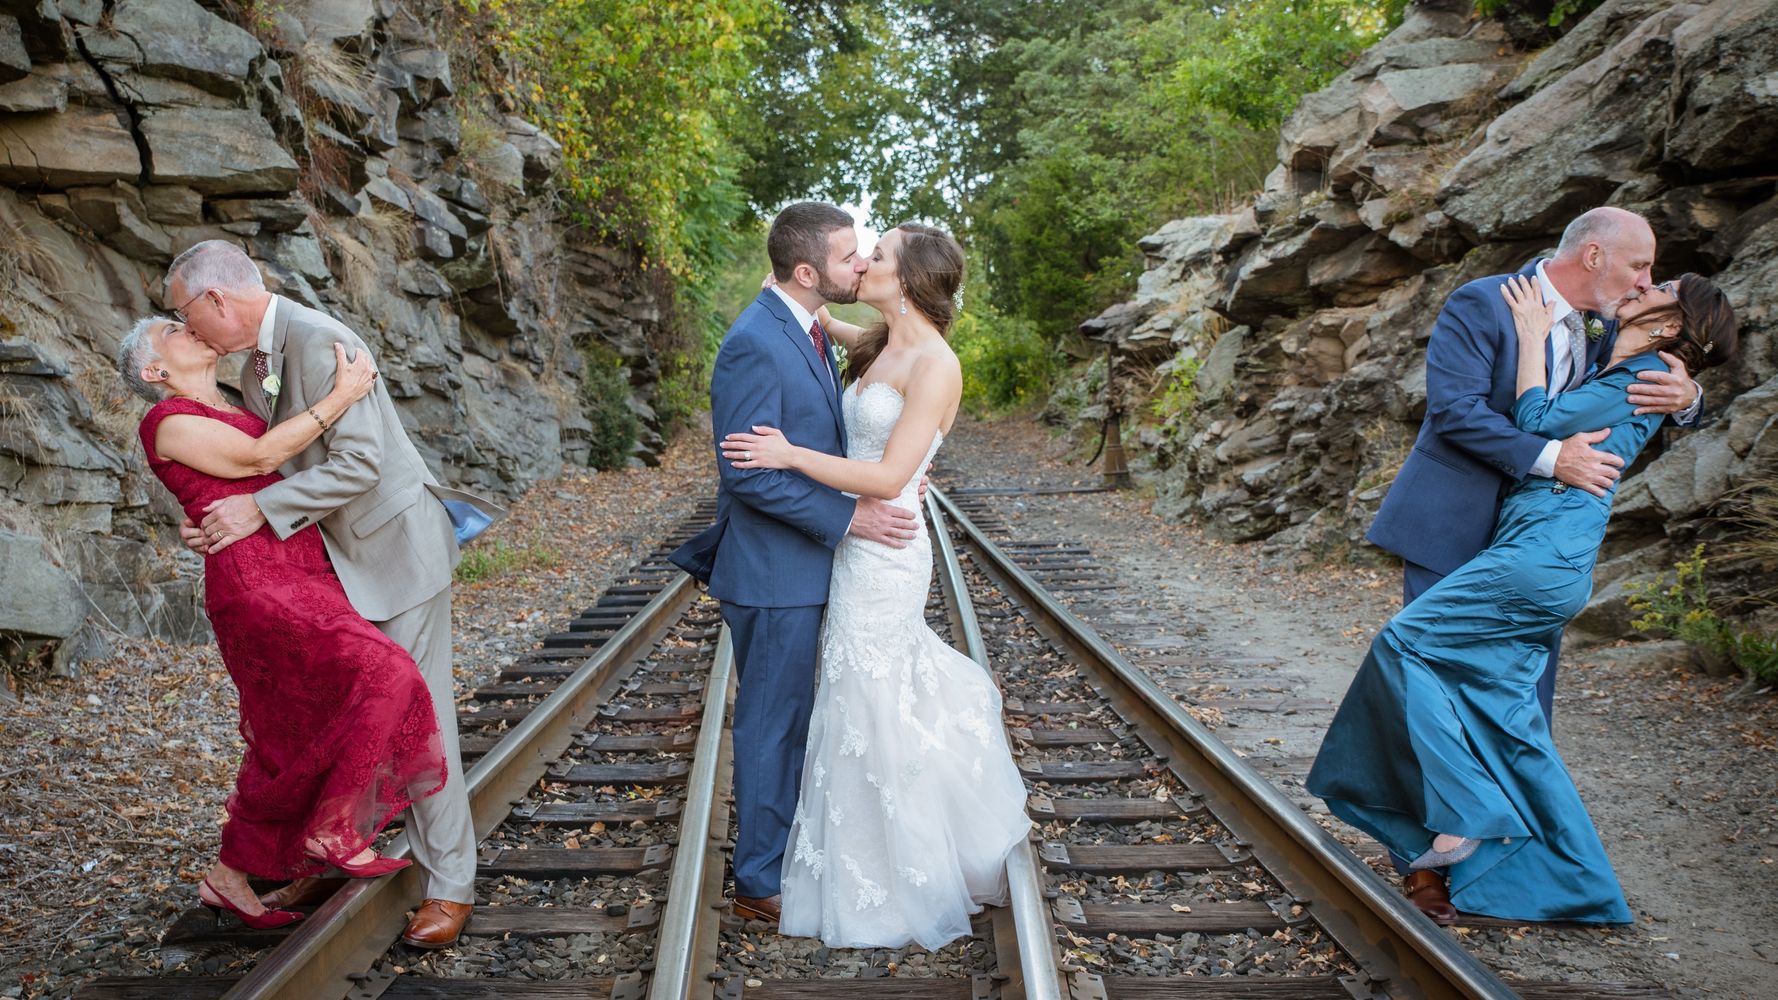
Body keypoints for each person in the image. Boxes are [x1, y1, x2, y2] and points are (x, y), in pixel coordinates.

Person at [1309, 272, 1738, 925]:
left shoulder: (1630, 358)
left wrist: (1686, 395)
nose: (1649, 280)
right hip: (1483, 534)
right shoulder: (1506, 308)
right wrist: (1679, 394)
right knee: (1509, 713)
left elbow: (1539, 418)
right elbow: (1456, 411)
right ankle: (1572, 881)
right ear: (1595, 254)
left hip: (1535, 556)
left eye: (1663, 281)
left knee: (1412, 653)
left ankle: (1464, 824)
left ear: (1673, 323)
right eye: (1646, 268)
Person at [163, 241, 503, 949]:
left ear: (217, 300)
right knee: (348, 717)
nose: (189, 330)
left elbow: (358, 463)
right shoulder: (260, 355)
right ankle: (332, 848)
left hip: (393, 553)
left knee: (419, 717)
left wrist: (259, 511)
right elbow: (265, 459)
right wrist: (219, 520)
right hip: (331, 564)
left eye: (186, 314)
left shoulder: (321, 342)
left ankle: (450, 887)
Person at [719, 222, 1031, 949]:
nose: (863, 264)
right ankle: (844, 847)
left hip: (883, 544)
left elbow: (891, 478)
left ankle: (901, 859)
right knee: (847, 694)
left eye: (877, 256)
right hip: (849, 545)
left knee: (873, 690)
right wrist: (790, 293)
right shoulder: (874, 340)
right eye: (857, 254)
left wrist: (790, 454)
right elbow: (816, 314)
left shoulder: (936, 365)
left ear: (910, 278)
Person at [117, 316, 446, 928]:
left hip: (301, 567)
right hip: (256, 584)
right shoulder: (165, 419)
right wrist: (345, 395)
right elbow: (261, 456)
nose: (186, 328)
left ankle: (230, 875)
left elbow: (262, 473)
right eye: (171, 329)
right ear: (152, 370)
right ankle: (333, 829)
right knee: (388, 670)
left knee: (287, 731)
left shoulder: (237, 398)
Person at [669, 203, 925, 927]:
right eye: (850, 257)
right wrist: (852, 516)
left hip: (806, 564)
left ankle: (784, 855)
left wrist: (899, 473)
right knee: (773, 723)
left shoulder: (804, 325)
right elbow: (750, 474)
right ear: (809, 272)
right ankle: (757, 882)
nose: (863, 263)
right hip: (775, 570)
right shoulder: (755, 341)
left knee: (797, 716)